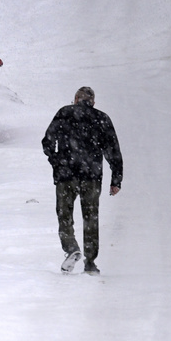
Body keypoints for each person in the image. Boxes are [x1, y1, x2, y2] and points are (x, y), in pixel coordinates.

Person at [41, 86, 123, 275]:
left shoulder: (64, 113)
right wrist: (116, 179)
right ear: (93, 102)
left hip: (66, 175)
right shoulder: (102, 118)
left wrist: (56, 161)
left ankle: (71, 248)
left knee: (64, 215)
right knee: (90, 218)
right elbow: (113, 151)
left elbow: (47, 141)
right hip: (91, 176)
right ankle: (90, 262)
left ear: (76, 99)